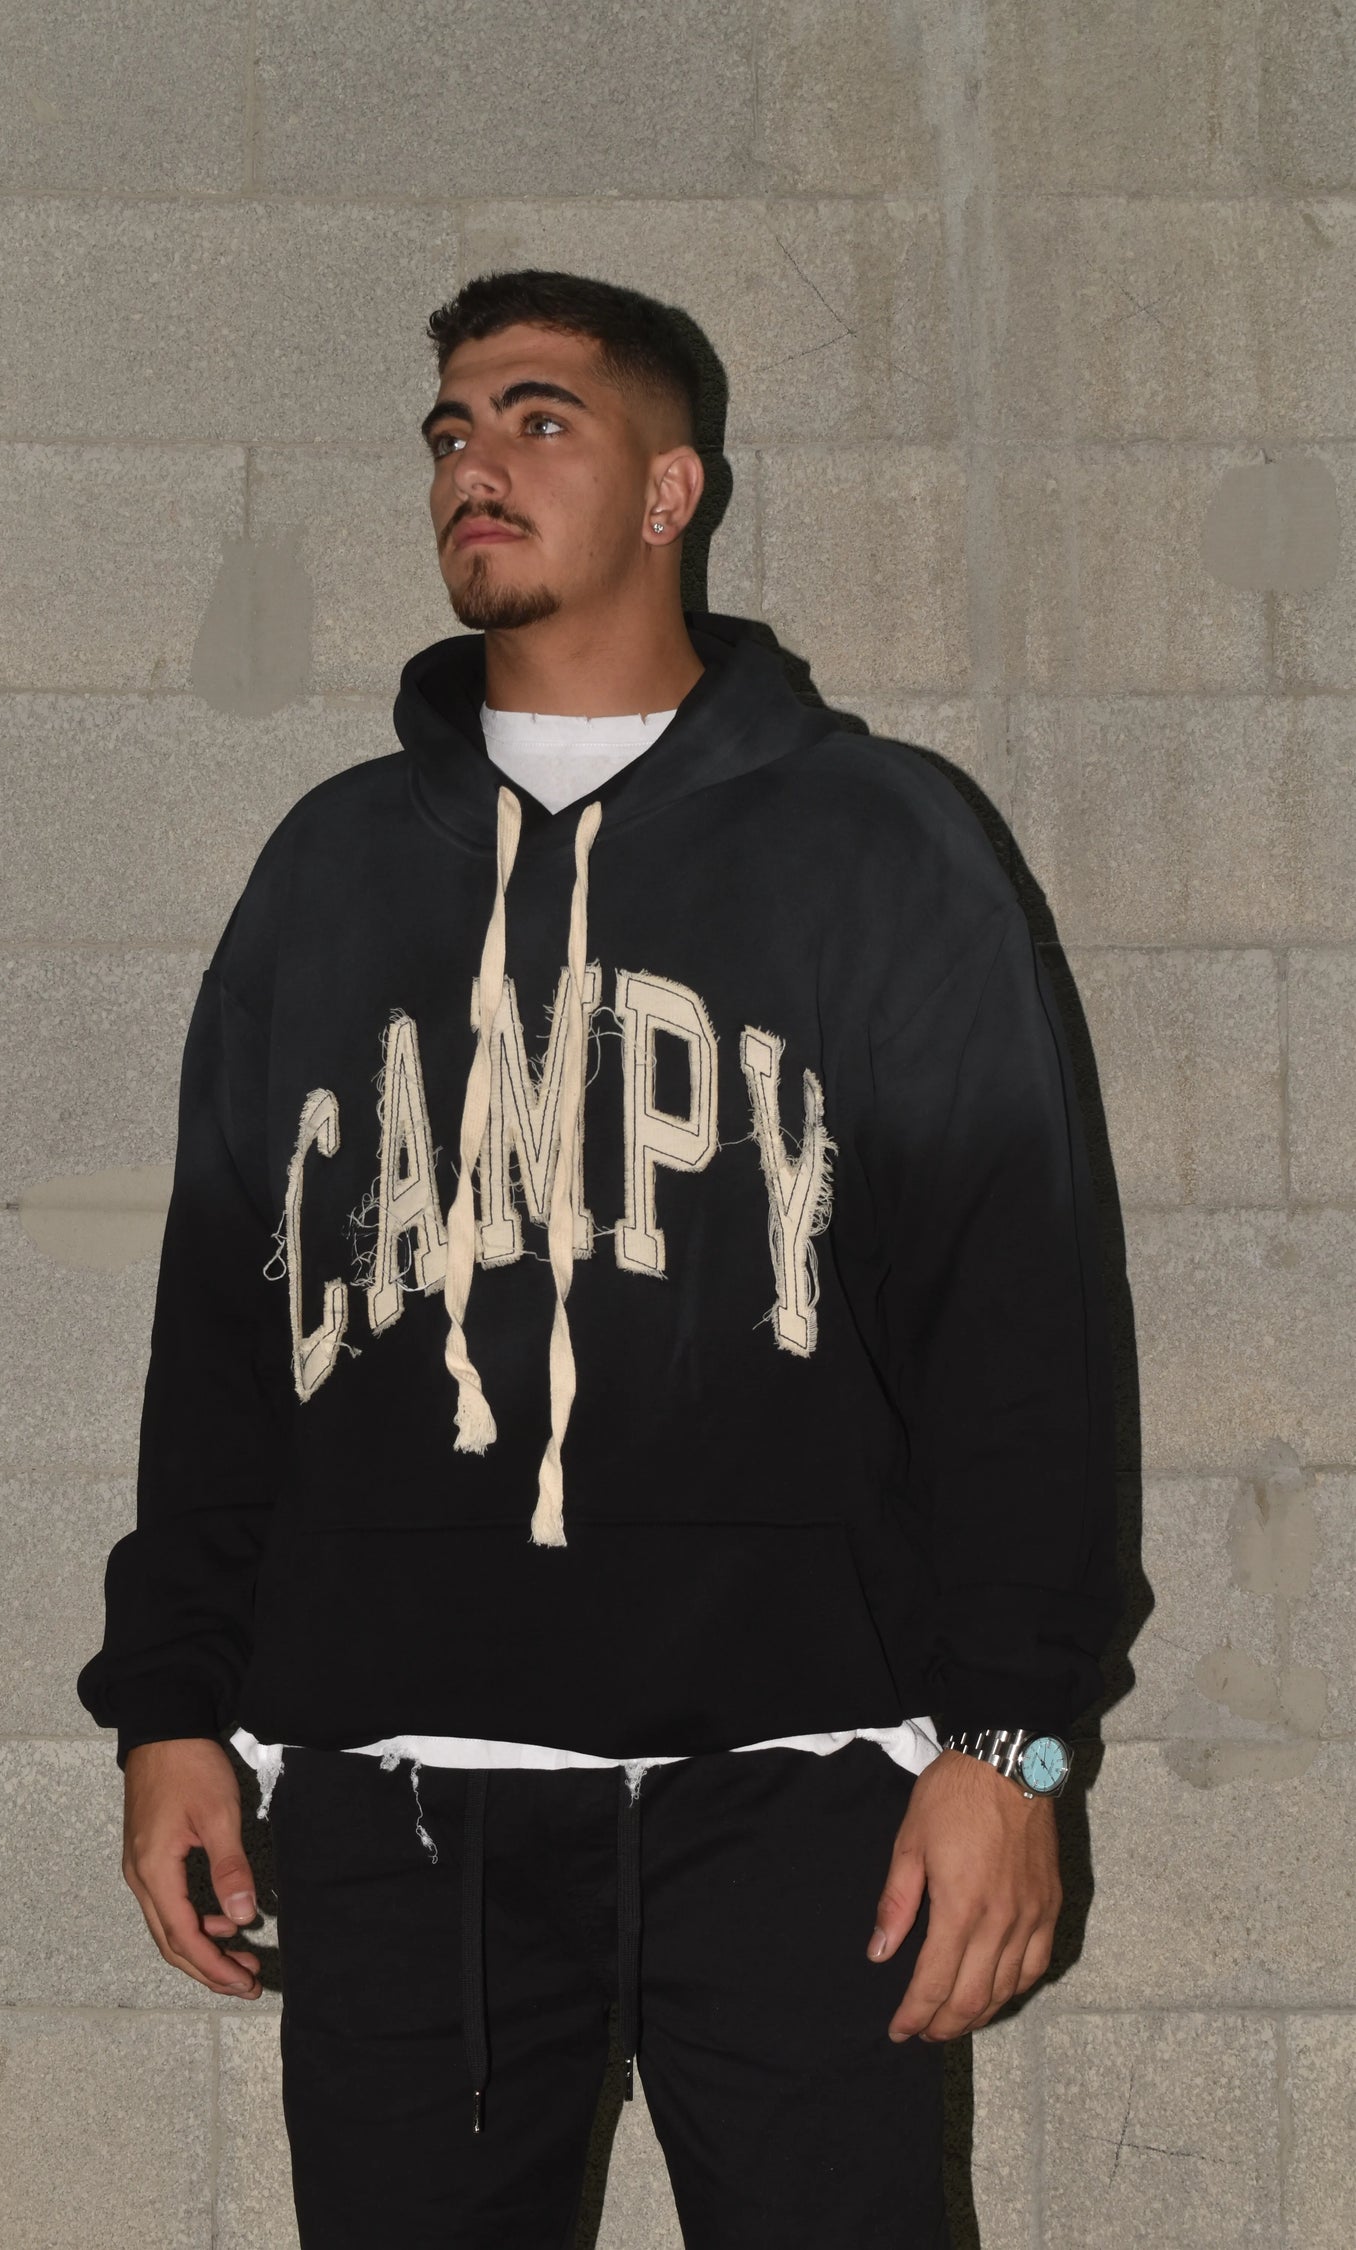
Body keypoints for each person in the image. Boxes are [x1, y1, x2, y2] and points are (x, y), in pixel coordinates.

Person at [78, 269, 1118, 2248]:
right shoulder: (328, 870)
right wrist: (170, 1708)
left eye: (539, 418)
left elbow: (1022, 1339)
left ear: (669, 490)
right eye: (451, 430)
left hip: (807, 1793)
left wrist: (1014, 1744)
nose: (474, 462)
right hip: (401, 1810)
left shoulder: (884, 846)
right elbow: (222, 1335)